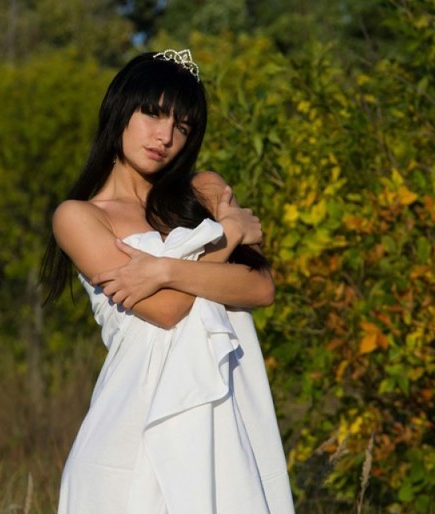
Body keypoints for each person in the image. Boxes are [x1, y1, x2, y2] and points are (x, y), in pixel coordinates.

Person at [40, 49, 295, 514]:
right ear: (120, 109)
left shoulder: (203, 192)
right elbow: (166, 310)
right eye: (153, 114)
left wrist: (164, 270)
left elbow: (261, 288)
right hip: (129, 436)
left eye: (183, 127)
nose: (166, 137)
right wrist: (228, 234)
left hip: (223, 423)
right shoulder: (78, 217)